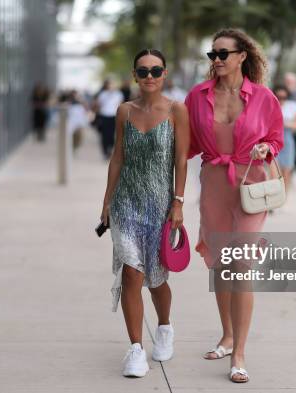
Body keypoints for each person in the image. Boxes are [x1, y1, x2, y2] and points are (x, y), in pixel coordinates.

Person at [184, 28, 283, 383]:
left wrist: (265, 149)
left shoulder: (263, 97)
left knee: (241, 265)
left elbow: (275, 137)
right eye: (213, 54)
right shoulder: (197, 96)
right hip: (214, 185)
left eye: (223, 53)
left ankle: (238, 353)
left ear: (242, 56)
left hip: (250, 187)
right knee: (221, 265)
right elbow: (187, 145)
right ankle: (226, 335)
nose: (217, 60)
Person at [100, 49, 190, 378]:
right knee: (130, 275)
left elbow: (181, 161)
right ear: (135, 75)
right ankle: (136, 349)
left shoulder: (177, 111)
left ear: (164, 74)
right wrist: (107, 201)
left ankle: (164, 327)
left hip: (160, 206)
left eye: (156, 71)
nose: (149, 76)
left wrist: (178, 202)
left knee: (156, 280)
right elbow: (117, 158)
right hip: (126, 204)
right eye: (143, 71)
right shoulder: (124, 110)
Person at [273, 85, 296, 191]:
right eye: (279, 97)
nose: (281, 99)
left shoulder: (293, 106)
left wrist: (283, 123)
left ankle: (284, 195)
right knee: (275, 171)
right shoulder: (272, 104)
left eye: (284, 97)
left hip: (287, 139)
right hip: (273, 139)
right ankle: (275, 195)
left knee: (286, 170)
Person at [94, 80, 124, 159]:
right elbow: (98, 105)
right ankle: (105, 151)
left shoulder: (118, 94)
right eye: (110, 85)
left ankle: (110, 149)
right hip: (104, 115)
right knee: (104, 134)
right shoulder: (103, 94)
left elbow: (120, 104)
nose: (111, 87)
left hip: (114, 116)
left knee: (112, 134)